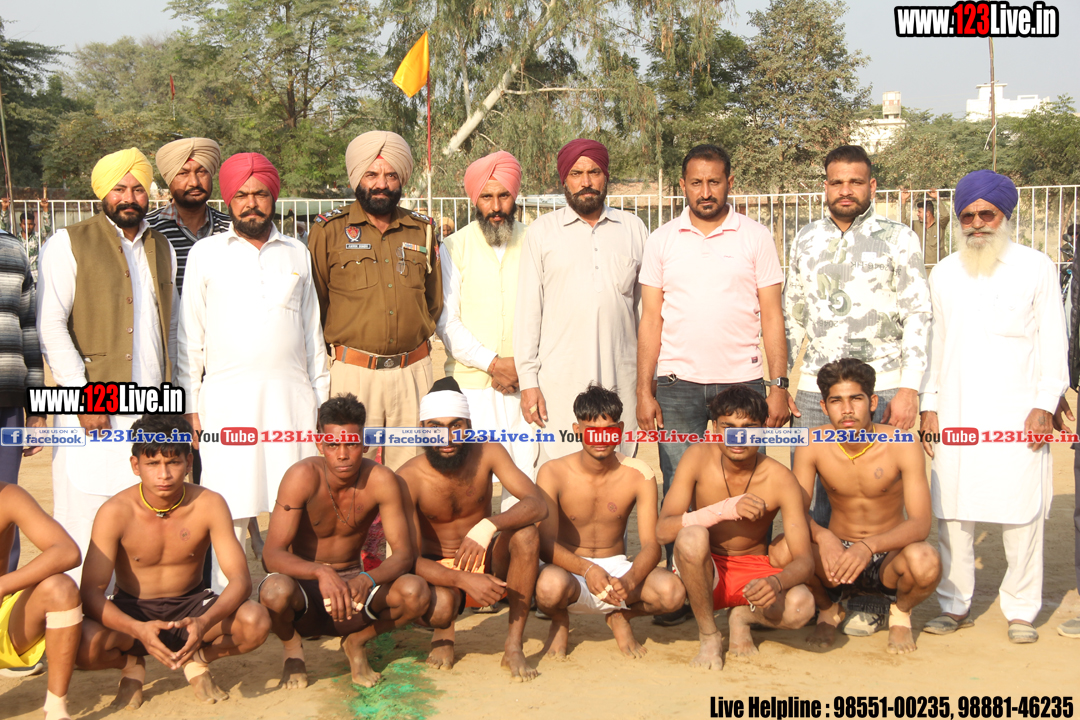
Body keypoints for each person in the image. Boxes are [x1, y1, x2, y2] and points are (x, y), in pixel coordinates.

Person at [637, 144, 793, 626]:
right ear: (682, 185)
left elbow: (772, 315)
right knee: (677, 480)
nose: (706, 192)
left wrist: (778, 384)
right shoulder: (662, 240)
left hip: (742, 381)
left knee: (745, 478)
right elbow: (650, 319)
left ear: (729, 183)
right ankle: (685, 587)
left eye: (715, 182)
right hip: (677, 383)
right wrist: (644, 389)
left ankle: (749, 581)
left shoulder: (755, 237)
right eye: (696, 182)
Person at [784, 145, 930, 635]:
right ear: (825, 185)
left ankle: (871, 595)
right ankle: (824, 595)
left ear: (871, 186)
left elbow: (917, 314)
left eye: (855, 181)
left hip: (882, 382)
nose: (845, 190)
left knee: (874, 491)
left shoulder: (899, 237)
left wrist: (909, 387)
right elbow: (792, 314)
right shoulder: (805, 238)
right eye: (836, 181)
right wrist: (783, 382)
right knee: (814, 497)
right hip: (814, 388)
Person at [920, 170, 1067, 644]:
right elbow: (935, 345)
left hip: (1017, 413)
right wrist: (929, 404)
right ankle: (954, 604)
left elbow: (1054, 341)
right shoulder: (944, 273)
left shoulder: (1036, 267)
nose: (977, 223)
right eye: (967, 216)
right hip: (956, 410)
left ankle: (1021, 611)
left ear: (1005, 215)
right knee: (953, 512)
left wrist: (1045, 403)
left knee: (1022, 512)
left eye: (986, 213)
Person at [178, 152, 330, 593]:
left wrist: (321, 404)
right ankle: (225, 600)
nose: (251, 203)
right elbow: (189, 337)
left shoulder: (296, 252)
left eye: (260, 194)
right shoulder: (206, 254)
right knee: (228, 505)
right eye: (242, 195)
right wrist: (189, 405)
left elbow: (313, 338)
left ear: (273, 197)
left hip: (292, 401)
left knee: (297, 502)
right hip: (226, 403)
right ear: (228, 200)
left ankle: (297, 600)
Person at [36, 148, 178, 581]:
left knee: (140, 518)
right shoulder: (68, 243)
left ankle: (131, 614)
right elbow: (51, 325)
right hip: (93, 407)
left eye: (138, 188)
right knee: (84, 515)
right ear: (102, 192)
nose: (129, 197)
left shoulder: (161, 246)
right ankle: (75, 617)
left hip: (150, 406)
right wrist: (85, 397)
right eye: (119, 188)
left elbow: (169, 328)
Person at [77, 415, 270, 708]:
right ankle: (131, 664)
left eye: (173, 462)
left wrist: (204, 622)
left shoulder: (209, 503)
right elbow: (91, 592)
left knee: (255, 621)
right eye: (153, 463)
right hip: (132, 610)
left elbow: (240, 580)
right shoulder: (115, 512)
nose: (164, 474)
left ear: (189, 462)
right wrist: (136, 628)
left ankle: (197, 660)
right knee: (80, 645)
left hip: (193, 607)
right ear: (135, 465)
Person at [258, 394, 429, 689]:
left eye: (351, 444)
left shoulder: (381, 480)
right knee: (274, 591)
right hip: (305, 591)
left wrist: (366, 578)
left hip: (354, 591)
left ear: (365, 443)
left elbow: (404, 554)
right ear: (319, 443)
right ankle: (293, 651)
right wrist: (320, 572)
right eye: (333, 445)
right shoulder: (302, 476)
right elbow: (271, 555)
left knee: (416, 592)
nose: (342, 454)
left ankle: (357, 642)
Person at [308, 130, 442, 472]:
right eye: (371, 174)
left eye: (391, 175)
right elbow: (316, 304)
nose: (381, 184)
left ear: (402, 179)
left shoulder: (421, 229)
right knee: (349, 474)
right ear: (356, 178)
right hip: (353, 375)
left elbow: (433, 301)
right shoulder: (328, 231)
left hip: (413, 374)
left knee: (414, 474)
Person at [656, 385, 816, 670]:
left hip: (754, 573)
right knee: (692, 536)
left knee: (802, 606)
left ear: (764, 430)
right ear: (714, 429)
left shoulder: (780, 478)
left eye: (749, 428)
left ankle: (743, 616)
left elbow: (804, 559)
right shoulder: (697, 457)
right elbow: (663, 531)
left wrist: (776, 583)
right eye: (728, 427)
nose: (738, 437)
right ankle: (709, 635)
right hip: (705, 571)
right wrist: (724, 509)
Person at [400, 377, 547, 681]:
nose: (447, 437)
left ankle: (513, 645)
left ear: (469, 425)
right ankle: (444, 633)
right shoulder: (408, 477)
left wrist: (489, 525)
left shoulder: (488, 452)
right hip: (439, 570)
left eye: (456, 426)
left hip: (486, 558)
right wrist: (462, 579)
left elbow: (537, 503)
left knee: (527, 534)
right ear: (422, 429)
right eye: (435, 428)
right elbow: (408, 559)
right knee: (441, 606)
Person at [794, 358, 941, 654]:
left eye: (856, 399)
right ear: (824, 407)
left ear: (872, 402)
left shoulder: (902, 443)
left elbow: (920, 523)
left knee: (926, 560)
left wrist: (868, 547)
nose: (847, 409)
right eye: (836, 401)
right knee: (783, 549)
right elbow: (795, 512)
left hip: (887, 558)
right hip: (837, 557)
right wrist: (825, 537)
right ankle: (828, 610)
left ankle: (900, 613)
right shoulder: (812, 443)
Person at [515, 139, 648, 464]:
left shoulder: (633, 229)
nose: (586, 182)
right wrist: (528, 382)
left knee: (618, 466)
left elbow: (646, 312)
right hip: (559, 379)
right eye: (576, 174)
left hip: (621, 375)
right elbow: (528, 312)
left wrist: (649, 380)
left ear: (606, 177)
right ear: (564, 180)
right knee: (561, 470)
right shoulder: (542, 232)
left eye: (594, 172)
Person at [535, 385, 685, 659]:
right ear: (577, 430)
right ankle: (559, 619)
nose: (601, 439)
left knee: (672, 593)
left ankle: (621, 616)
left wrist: (629, 580)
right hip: (569, 570)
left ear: (621, 429)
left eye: (609, 431)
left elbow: (652, 546)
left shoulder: (639, 474)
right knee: (547, 588)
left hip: (617, 568)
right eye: (592, 431)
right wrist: (587, 569)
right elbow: (545, 544)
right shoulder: (553, 472)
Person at [436, 151, 538, 511]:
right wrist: (494, 364)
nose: (496, 207)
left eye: (504, 195)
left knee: (525, 480)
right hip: (473, 386)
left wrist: (521, 368)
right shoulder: (454, 247)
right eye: (487, 197)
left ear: (515, 195)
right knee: (472, 485)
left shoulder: (536, 241)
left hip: (528, 385)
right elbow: (447, 322)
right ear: (474, 199)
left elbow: (549, 314)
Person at [0, 483, 82, 720]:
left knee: (60, 588)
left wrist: (2, 585)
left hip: (5, 625)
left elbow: (67, 551)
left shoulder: (7, 496)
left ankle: (56, 709)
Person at [0, 229, 46, 573]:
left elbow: (29, 329)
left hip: (8, 398)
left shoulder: (12, 247)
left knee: (5, 502)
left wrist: (38, 410)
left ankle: (4, 593)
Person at [146, 137, 230, 294]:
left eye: (201, 172)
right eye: (183, 173)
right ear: (169, 179)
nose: (194, 182)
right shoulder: (148, 231)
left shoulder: (231, 229)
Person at [900, 189, 952, 266]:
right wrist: (903, 201)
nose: (917, 214)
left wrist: (937, 198)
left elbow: (945, 216)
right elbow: (903, 222)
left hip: (937, 267)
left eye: (919, 212)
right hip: (921, 267)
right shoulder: (916, 225)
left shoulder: (940, 224)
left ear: (928, 213)